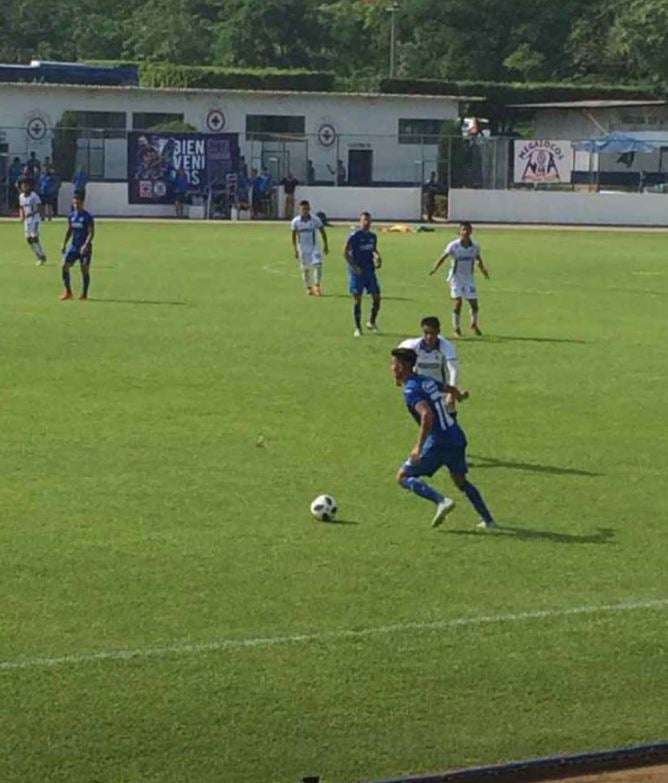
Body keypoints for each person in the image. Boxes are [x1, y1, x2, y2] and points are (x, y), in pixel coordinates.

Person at [390, 347, 496, 529]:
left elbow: (427, 415)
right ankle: (488, 520)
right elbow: (446, 387)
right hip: (456, 436)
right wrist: (459, 395)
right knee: (461, 481)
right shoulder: (424, 380)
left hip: (439, 442)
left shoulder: (411, 391)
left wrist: (418, 447)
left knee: (403, 476)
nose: (391, 367)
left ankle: (441, 501)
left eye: (394, 363)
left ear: (402, 366)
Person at [429, 221, 490, 337]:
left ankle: (474, 324)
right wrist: (435, 268)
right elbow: (444, 257)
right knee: (458, 303)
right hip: (456, 278)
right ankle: (456, 328)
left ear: (471, 231)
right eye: (463, 230)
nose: (465, 232)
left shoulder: (475, 246)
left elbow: (478, 259)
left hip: (469, 278)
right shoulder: (453, 245)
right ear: (460, 232)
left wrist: (483, 271)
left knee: (474, 304)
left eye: (467, 230)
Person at [398, 316, 459, 414]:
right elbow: (396, 356)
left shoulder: (446, 347)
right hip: (422, 394)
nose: (429, 337)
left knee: (449, 425)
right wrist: (398, 375)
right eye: (426, 333)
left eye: (432, 333)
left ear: (438, 331)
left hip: (442, 395)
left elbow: (453, 371)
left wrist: (451, 395)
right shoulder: (413, 345)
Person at [344, 211, 382, 337]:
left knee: (377, 296)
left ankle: (371, 321)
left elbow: (373, 250)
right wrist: (354, 267)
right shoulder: (354, 236)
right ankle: (358, 327)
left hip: (369, 270)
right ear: (360, 221)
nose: (366, 222)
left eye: (368, 220)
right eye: (364, 220)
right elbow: (345, 253)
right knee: (357, 299)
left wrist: (378, 257)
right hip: (357, 272)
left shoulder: (372, 236)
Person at [60, 191, 94, 301]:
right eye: (74, 203)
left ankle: (84, 294)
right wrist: (64, 243)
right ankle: (68, 292)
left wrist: (85, 245)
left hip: (85, 248)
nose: (76, 205)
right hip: (74, 247)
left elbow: (91, 233)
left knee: (84, 269)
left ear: (82, 203)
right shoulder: (71, 216)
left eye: (78, 203)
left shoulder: (87, 217)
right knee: (64, 266)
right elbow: (69, 230)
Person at [291, 200, 329, 296]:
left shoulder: (315, 219)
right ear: (299, 210)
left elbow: (322, 231)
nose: (305, 211)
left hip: (314, 246)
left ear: (309, 209)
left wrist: (326, 245)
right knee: (305, 268)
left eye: (306, 209)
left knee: (318, 265)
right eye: (303, 209)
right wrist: (295, 249)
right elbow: (293, 236)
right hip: (303, 248)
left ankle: (317, 286)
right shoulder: (295, 222)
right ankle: (308, 287)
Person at [18, 178, 47, 265]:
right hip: (27, 221)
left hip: (35, 219)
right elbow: (21, 207)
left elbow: (39, 207)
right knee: (28, 239)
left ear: (30, 186)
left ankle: (41, 256)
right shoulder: (21, 197)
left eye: (26, 185)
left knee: (34, 237)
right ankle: (39, 255)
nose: (24, 187)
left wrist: (32, 213)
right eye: (23, 185)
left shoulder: (34, 196)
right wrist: (22, 216)